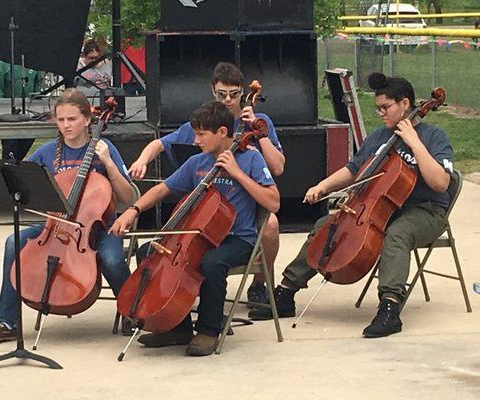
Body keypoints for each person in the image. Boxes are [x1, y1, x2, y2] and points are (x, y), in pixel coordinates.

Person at [249, 72, 454, 339]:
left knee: (397, 235)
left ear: (405, 104)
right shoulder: (380, 137)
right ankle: (286, 292)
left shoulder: (433, 136)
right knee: (327, 225)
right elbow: (353, 170)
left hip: (425, 210)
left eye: (385, 108)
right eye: (377, 108)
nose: (381, 113)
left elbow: (440, 183)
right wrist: (322, 186)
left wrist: (414, 142)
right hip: (382, 208)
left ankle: (390, 307)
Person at [110, 101, 280, 356]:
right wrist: (133, 210)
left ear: (222, 132)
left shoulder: (251, 158)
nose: (196, 140)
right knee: (148, 252)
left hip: (239, 240)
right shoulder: (197, 162)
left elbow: (273, 202)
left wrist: (237, 173)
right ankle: (177, 327)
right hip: (199, 236)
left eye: (201, 134)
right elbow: (163, 189)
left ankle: (209, 330)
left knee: (212, 263)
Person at [0, 89, 133, 342]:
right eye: (60, 120)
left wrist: (110, 164)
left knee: (112, 259)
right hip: (55, 225)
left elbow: (128, 197)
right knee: (12, 242)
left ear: (87, 120)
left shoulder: (105, 148)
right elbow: (17, 179)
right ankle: (7, 321)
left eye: (72, 119)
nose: (66, 125)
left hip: (100, 226)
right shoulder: (48, 152)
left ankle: (131, 310)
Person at [128, 62, 285, 305]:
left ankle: (259, 284)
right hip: (210, 205)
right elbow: (160, 144)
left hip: (250, 201)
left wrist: (259, 133)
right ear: (213, 91)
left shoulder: (259, 122)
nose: (228, 100)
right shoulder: (205, 125)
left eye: (234, 94)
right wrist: (142, 160)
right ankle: (174, 301)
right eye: (222, 94)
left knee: (270, 224)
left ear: (242, 93)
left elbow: (278, 168)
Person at [0, 59, 45, 161]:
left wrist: (36, 104)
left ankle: (15, 164)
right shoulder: (2, 64)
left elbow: (38, 86)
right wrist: (0, 110)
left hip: (29, 112)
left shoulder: (35, 64)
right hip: (8, 114)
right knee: (10, 145)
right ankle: (9, 166)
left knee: (27, 139)